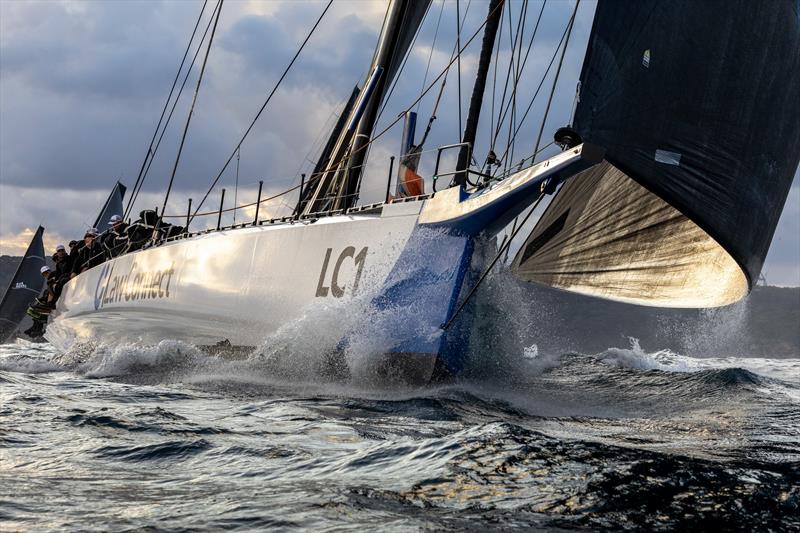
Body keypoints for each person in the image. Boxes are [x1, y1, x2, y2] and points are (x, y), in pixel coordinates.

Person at [23, 266, 58, 338]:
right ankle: (35, 327)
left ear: (49, 271)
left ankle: (38, 329)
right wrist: (41, 299)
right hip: (49, 301)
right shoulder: (50, 281)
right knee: (36, 311)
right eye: (43, 274)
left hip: (53, 303)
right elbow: (47, 293)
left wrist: (43, 300)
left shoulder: (54, 278)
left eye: (46, 273)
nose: (45, 275)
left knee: (39, 311)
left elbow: (52, 292)